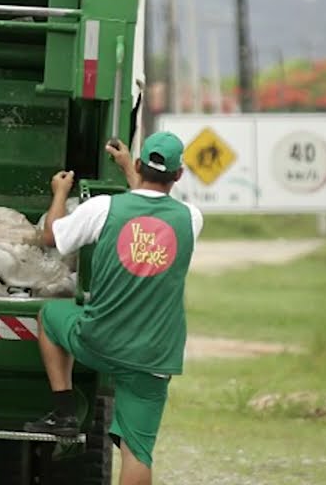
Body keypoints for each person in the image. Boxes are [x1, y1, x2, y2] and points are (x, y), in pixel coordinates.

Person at [27, 133, 202, 485]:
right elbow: (150, 204)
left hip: (99, 342)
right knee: (137, 453)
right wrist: (129, 170)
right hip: (152, 358)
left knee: (49, 316)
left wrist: (59, 192)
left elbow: (52, 238)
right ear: (179, 175)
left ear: (139, 165)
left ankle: (64, 410)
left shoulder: (103, 208)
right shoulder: (191, 219)